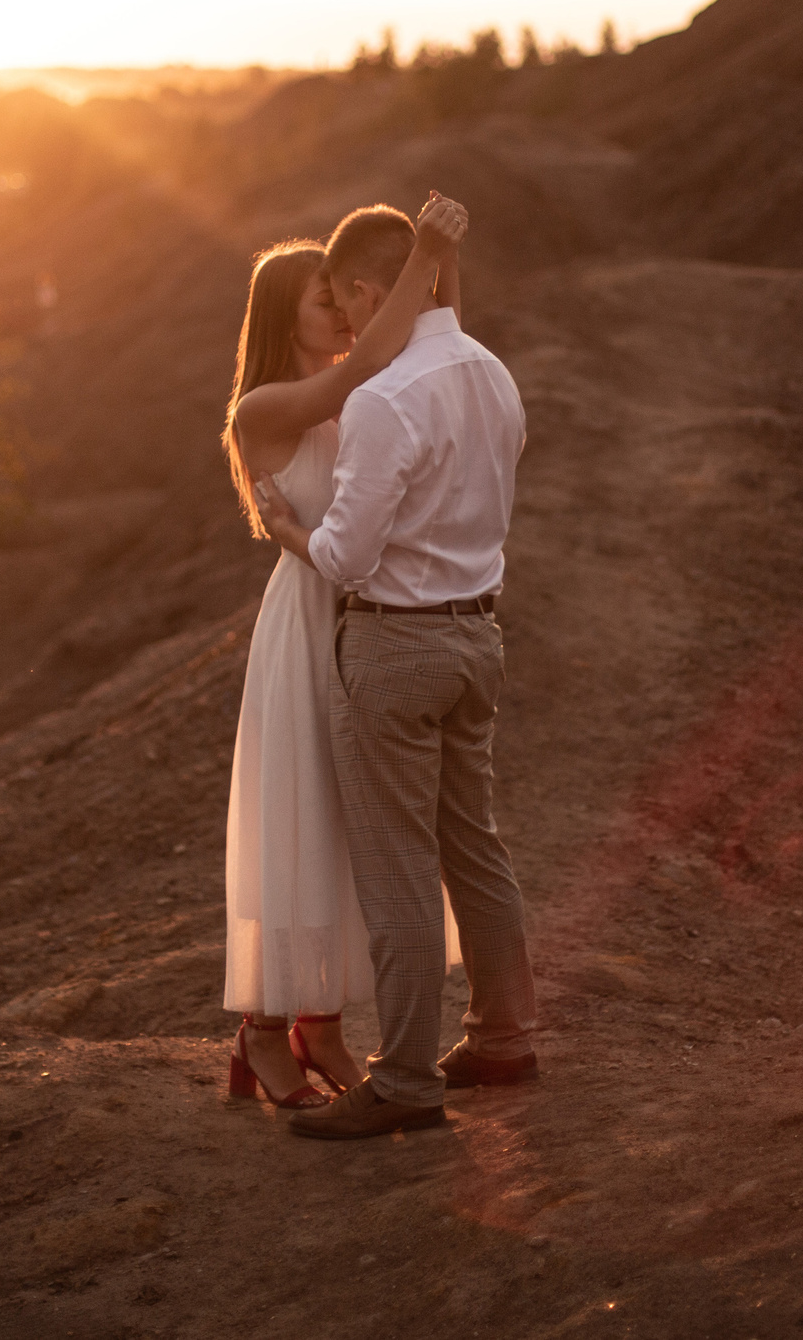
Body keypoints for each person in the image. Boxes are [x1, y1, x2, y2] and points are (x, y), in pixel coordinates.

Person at [255, 202, 540, 1141]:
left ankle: (409, 1079)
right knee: (474, 844)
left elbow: (345, 555)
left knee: (399, 866)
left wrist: (290, 531)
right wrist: (440, 257)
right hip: (477, 636)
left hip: (395, 647)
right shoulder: (492, 372)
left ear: (366, 292)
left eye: (346, 302)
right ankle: (503, 1037)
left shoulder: (382, 400)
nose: (347, 324)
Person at [219, 193, 469, 1111]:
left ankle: (318, 1025)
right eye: (327, 298)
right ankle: (260, 1031)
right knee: (300, 818)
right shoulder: (265, 408)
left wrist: (447, 267)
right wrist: (423, 254)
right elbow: (369, 358)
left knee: (345, 825)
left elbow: (438, 350)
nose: (343, 310)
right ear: (285, 315)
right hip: (307, 625)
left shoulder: (361, 393)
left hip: (366, 613)